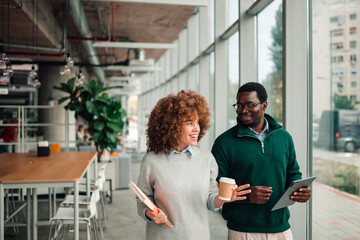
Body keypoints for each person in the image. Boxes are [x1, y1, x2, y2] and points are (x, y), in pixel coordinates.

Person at [136, 90, 251, 240]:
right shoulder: (152, 161)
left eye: (197, 122)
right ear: (172, 126)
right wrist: (149, 213)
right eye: (190, 123)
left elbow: (211, 201)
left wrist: (223, 198)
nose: (197, 128)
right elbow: (143, 200)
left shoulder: (206, 158)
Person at [211, 82, 312, 240]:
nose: (243, 111)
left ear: (264, 105)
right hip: (242, 230)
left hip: (281, 228)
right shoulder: (224, 143)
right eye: (239, 105)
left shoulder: (284, 138)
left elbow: (293, 173)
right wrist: (248, 195)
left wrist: (300, 191)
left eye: (250, 105)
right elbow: (216, 187)